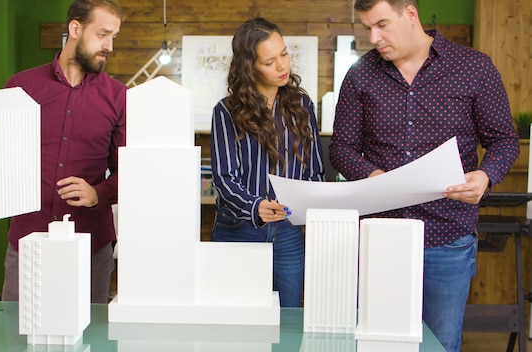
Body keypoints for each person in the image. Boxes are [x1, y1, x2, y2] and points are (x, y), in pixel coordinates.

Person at [329, 0, 519, 350]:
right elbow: (341, 148)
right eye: (368, 27)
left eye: (382, 25)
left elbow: (504, 141)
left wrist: (485, 176)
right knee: (378, 342)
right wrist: (373, 176)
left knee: (442, 343)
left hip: (448, 235)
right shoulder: (360, 74)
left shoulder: (474, 68)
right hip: (380, 235)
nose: (374, 37)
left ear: (411, 14)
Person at [0, 0, 126, 304]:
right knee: (15, 338)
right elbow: (1, 159)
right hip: (27, 241)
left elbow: (131, 171)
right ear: (75, 29)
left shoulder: (119, 97)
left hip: (90, 244)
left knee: (91, 337)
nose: (109, 46)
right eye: (103, 34)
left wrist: (99, 193)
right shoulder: (20, 87)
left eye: (114, 37)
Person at [210, 17, 326, 307]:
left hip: (289, 231)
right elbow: (224, 178)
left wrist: (315, 209)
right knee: (235, 321)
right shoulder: (226, 111)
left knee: (286, 321)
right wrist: (256, 206)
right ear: (250, 67)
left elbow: (314, 170)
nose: (283, 67)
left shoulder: (302, 105)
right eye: (270, 61)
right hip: (238, 230)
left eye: (284, 54)